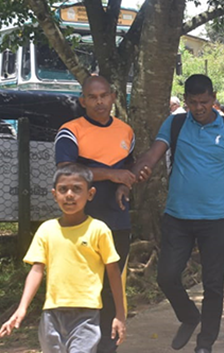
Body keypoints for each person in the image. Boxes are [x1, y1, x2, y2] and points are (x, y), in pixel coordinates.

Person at [132, 74, 224, 353]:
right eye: (193, 102)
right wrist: (137, 171)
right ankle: (188, 316)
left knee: (213, 284)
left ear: (214, 99)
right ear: (185, 101)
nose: (199, 108)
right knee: (167, 276)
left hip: (217, 218)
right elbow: (154, 154)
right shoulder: (175, 123)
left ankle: (205, 343)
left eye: (204, 102)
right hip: (178, 216)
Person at [0, 163, 126, 352]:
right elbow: (36, 270)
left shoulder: (99, 230)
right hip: (52, 314)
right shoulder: (46, 230)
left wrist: (120, 314)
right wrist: (22, 308)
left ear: (90, 194)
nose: (69, 195)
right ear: (54, 194)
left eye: (77, 189)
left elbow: (113, 272)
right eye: (63, 189)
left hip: (87, 314)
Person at [54, 76, 136, 353]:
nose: (99, 102)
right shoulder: (71, 131)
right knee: (83, 288)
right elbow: (66, 171)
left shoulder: (126, 132)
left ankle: (106, 347)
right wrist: (111, 174)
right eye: (92, 97)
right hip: (82, 224)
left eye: (104, 96)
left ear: (113, 97)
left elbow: (130, 169)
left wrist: (124, 184)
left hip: (117, 221)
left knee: (111, 289)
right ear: (83, 101)